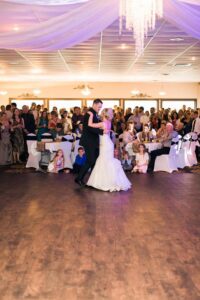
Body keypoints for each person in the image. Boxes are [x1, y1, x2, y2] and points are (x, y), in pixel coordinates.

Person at [86, 108, 131, 192]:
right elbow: (107, 131)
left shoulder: (102, 123)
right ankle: (109, 180)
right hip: (108, 143)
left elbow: (89, 124)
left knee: (104, 160)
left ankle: (104, 181)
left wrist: (91, 115)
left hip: (105, 144)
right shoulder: (109, 122)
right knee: (106, 160)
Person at [75, 99, 105, 186]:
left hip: (93, 141)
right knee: (90, 160)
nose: (100, 108)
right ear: (94, 104)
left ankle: (93, 181)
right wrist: (102, 132)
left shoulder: (94, 114)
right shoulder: (89, 113)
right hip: (89, 141)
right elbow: (89, 127)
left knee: (94, 161)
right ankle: (79, 178)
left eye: (101, 107)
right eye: (99, 107)